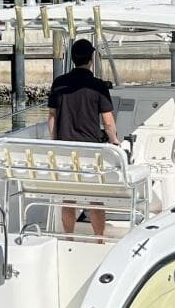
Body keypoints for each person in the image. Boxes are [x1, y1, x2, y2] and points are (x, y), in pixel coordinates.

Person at [47, 38, 120, 237]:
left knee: (68, 199)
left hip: (65, 151)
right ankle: (99, 240)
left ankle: (69, 237)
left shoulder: (59, 83)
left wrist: (56, 141)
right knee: (96, 200)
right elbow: (108, 122)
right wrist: (114, 140)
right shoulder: (97, 86)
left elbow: (52, 118)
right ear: (91, 58)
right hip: (91, 153)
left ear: (72, 58)